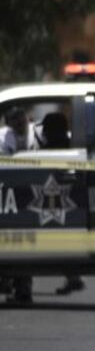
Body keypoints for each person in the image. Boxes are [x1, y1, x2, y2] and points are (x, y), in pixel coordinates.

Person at [34, 111, 85, 296]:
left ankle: (22, 286)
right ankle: (73, 276)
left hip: (50, 203)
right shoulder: (73, 147)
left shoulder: (47, 151)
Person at [0, 107, 38, 303]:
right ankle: (12, 285)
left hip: (34, 193)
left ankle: (23, 290)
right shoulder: (3, 137)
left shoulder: (37, 133)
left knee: (24, 244)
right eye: (14, 119)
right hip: (10, 195)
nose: (19, 122)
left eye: (20, 117)